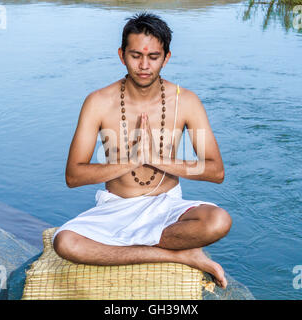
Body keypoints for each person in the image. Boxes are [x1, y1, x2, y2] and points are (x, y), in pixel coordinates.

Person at [53, 12, 231, 289]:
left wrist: (157, 159)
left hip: (168, 207)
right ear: (122, 55)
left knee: (217, 221)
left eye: (153, 57)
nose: (144, 65)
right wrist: (131, 161)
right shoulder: (98, 102)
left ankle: (142, 249)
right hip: (116, 209)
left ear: (167, 57)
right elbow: (73, 176)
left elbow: (215, 171)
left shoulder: (187, 102)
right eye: (136, 56)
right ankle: (181, 255)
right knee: (65, 243)